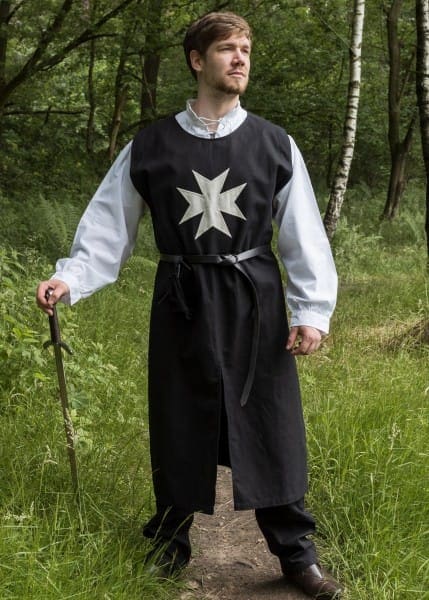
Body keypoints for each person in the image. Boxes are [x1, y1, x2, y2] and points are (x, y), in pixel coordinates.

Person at [36, 11, 341, 599]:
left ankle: (296, 554)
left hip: (254, 302)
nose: (241, 58)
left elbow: (302, 233)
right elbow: (108, 227)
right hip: (182, 298)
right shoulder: (151, 145)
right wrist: (68, 279)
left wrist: (310, 310)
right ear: (198, 61)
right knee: (179, 420)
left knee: (270, 422)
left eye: (246, 48)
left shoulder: (273, 143)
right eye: (227, 48)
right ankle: (168, 547)